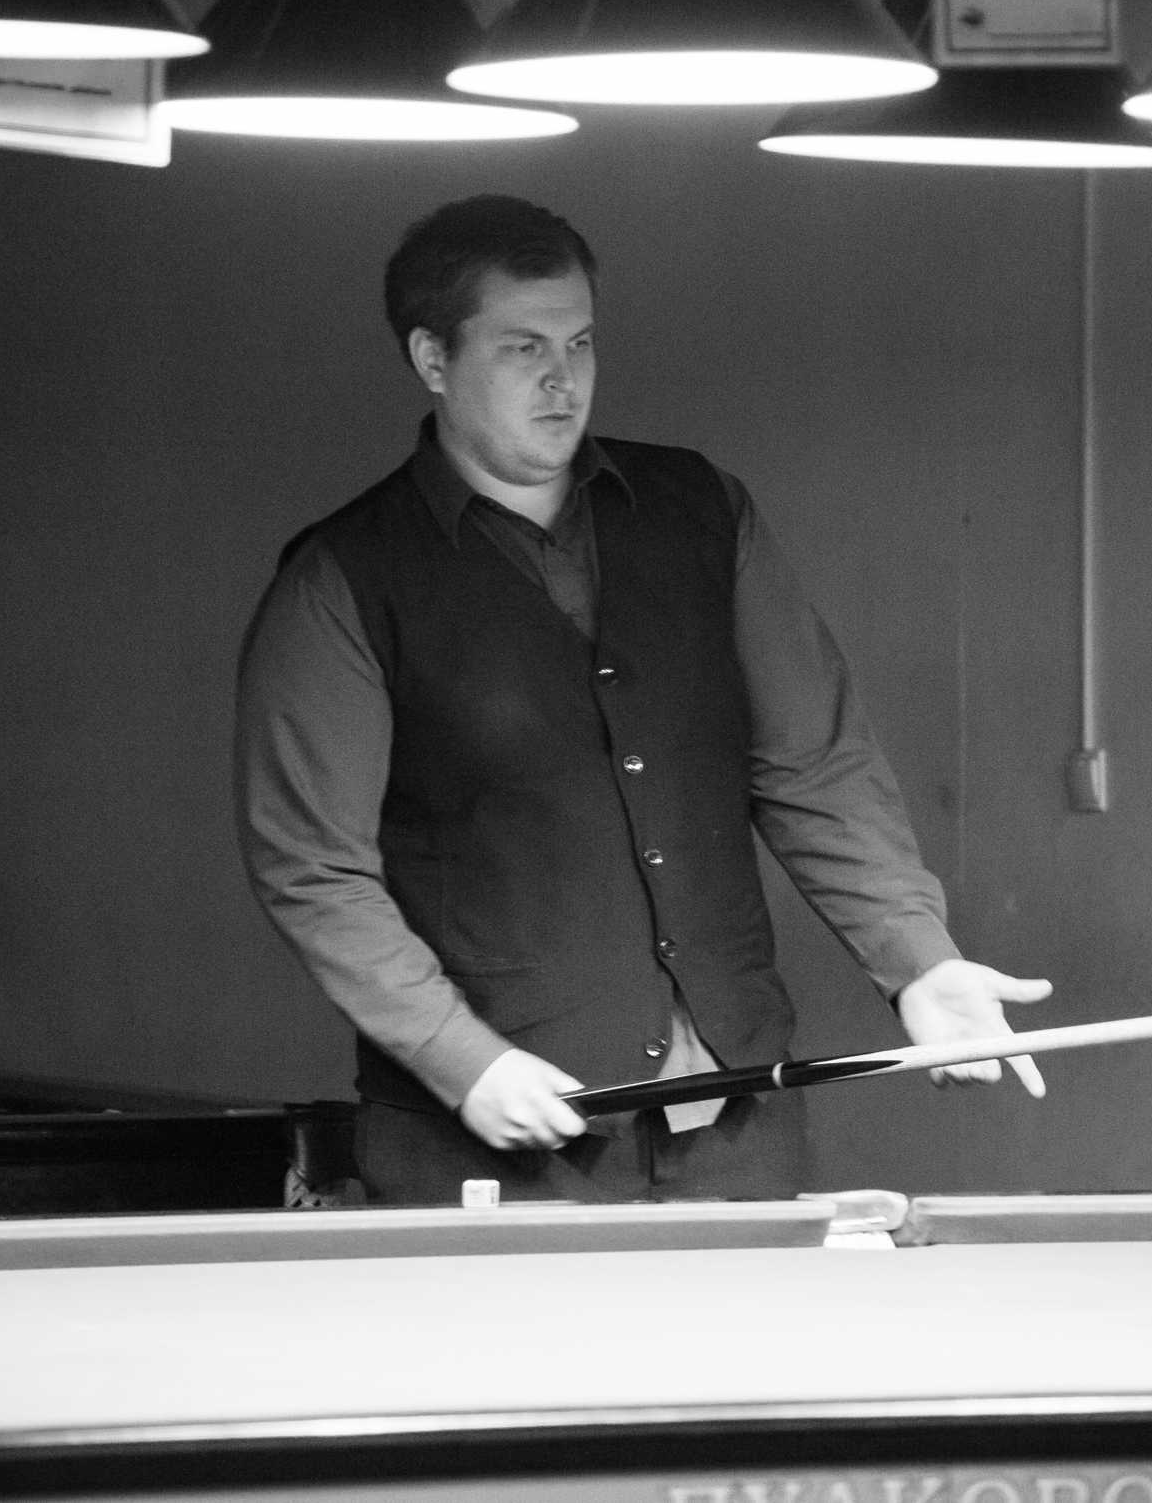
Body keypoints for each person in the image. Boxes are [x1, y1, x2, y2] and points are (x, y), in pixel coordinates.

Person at [235, 195, 1052, 1205]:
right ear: (432, 359)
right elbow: (313, 865)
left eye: (579, 342)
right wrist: (458, 1054)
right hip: (491, 1145)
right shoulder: (341, 579)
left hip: (738, 1124)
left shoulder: (702, 511)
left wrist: (918, 960)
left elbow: (815, 764)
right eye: (522, 347)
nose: (563, 378)